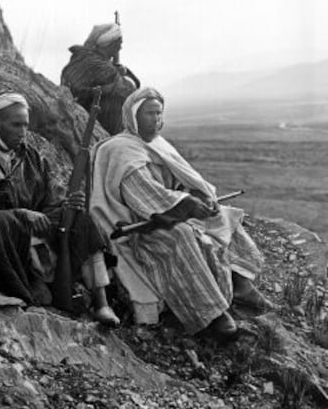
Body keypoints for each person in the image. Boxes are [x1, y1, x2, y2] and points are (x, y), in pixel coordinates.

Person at [90, 87, 272, 337]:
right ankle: (211, 313)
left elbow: (180, 181)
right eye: (149, 114)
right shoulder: (120, 149)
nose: (156, 120)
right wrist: (187, 204)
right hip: (140, 227)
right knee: (182, 235)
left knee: (223, 215)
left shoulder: (157, 144)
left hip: (170, 211)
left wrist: (198, 197)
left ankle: (239, 283)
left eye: (159, 113)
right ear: (132, 116)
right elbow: (145, 197)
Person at [0, 91, 119, 325]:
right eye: (16, 125)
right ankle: (29, 283)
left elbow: (48, 199)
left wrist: (66, 206)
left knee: (82, 219)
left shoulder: (32, 156)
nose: (23, 132)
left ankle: (101, 303)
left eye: (25, 125)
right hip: (3, 232)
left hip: (36, 226)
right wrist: (21, 214)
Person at [61, 23, 140, 135]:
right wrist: (120, 73)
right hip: (95, 127)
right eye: (118, 43)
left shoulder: (80, 58)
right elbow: (130, 91)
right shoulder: (103, 68)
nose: (120, 48)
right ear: (108, 43)